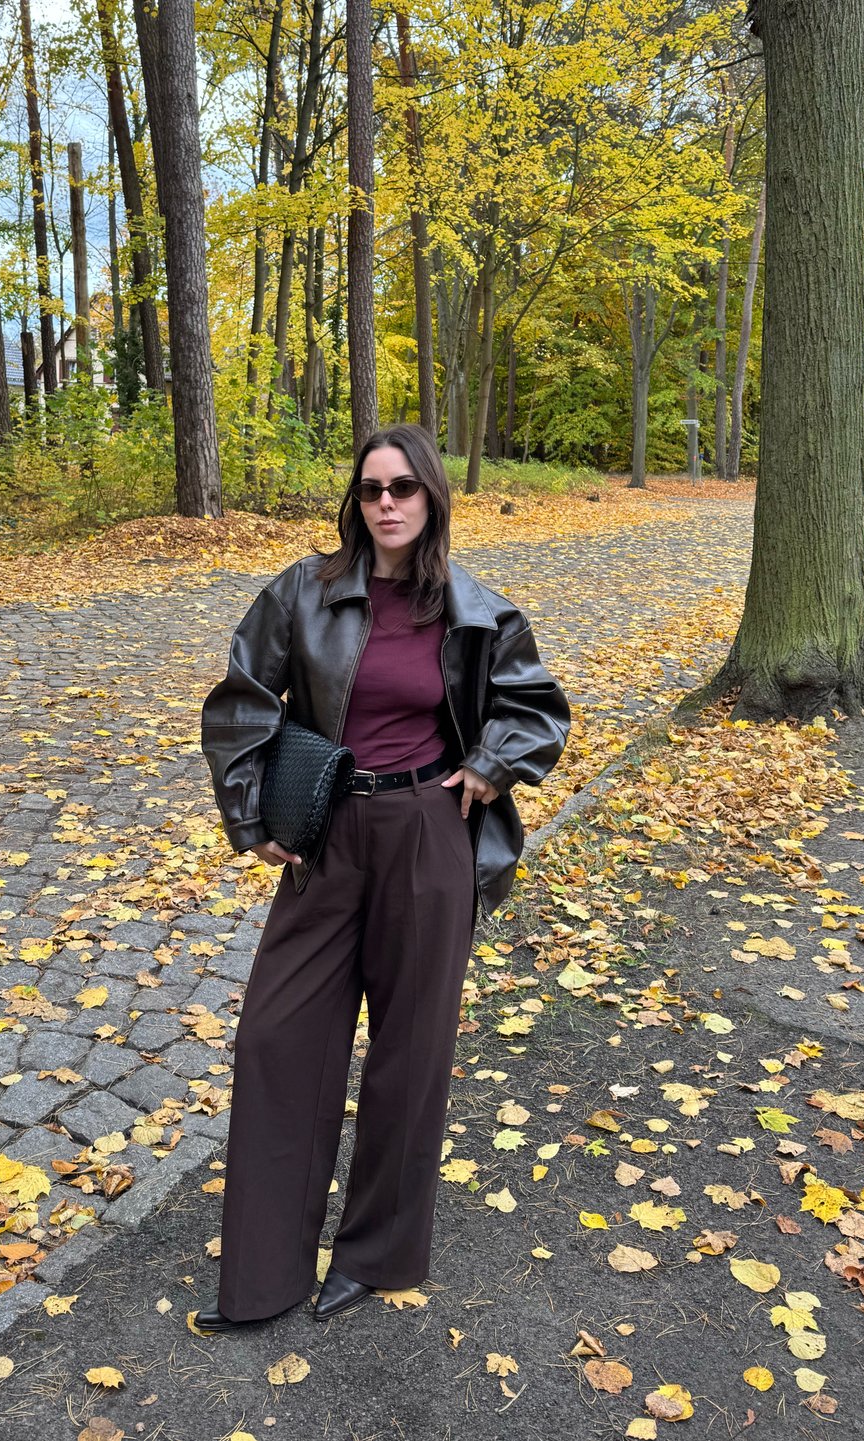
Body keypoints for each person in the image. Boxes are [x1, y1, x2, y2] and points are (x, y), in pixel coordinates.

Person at [196, 424, 570, 1329]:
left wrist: (489, 763)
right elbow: (244, 698)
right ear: (354, 502)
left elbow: (537, 706)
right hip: (328, 834)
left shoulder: (477, 609)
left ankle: (376, 1254)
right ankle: (263, 1274)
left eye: (404, 487)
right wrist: (252, 819)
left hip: (428, 836)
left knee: (411, 1053)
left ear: (432, 496)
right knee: (278, 1039)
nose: (387, 503)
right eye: (371, 489)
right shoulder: (305, 591)